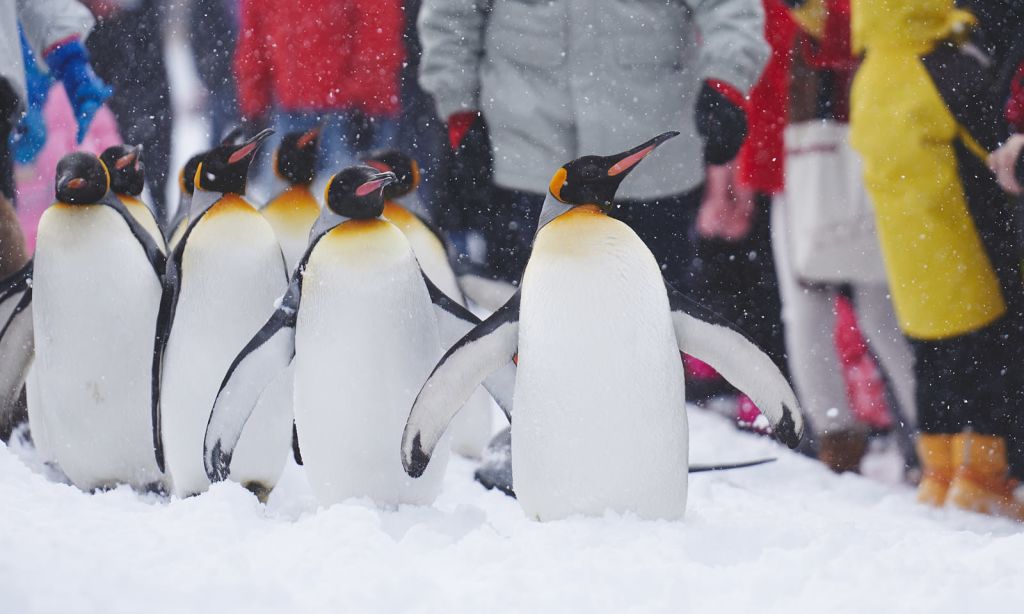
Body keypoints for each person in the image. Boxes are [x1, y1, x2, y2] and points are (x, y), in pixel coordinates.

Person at [417, 0, 769, 292]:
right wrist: (459, 108)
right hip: (530, 161)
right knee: (530, 326)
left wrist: (727, 79)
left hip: (649, 164)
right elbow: (451, 15)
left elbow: (730, 7)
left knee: (652, 325)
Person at [850, 0, 1024, 520]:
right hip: (964, 239)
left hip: (910, 258)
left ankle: (938, 474)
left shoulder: (872, 74)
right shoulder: (941, 66)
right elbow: (993, 141)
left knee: (932, 358)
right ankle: (981, 476)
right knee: (989, 354)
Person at [753, 0, 917, 473]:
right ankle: (836, 442)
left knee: (882, 315)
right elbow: (758, 75)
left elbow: (867, 35)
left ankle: (933, 444)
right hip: (805, 159)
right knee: (812, 313)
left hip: (859, 153)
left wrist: (822, 18)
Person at [235, 0, 405, 193]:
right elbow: (254, 35)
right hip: (290, 109)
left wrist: (365, 97)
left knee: (354, 205)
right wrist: (254, 103)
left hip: (345, 112)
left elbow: (377, 28)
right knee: (292, 204)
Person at [82, 0, 173, 221]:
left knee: (157, 169)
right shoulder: (91, 29)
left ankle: (160, 224)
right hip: (112, 94)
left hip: (150, 89)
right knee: (116, 173)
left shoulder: (145, 20)